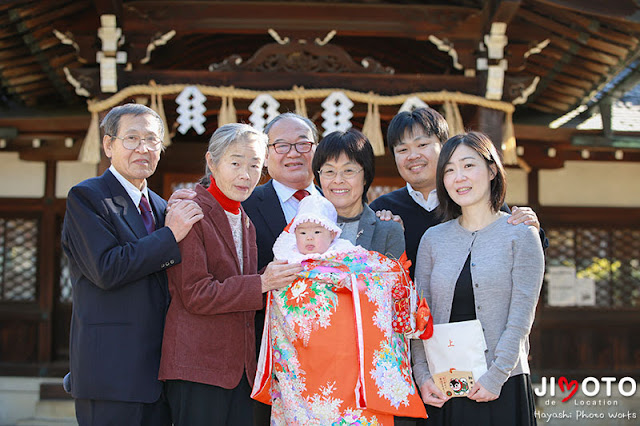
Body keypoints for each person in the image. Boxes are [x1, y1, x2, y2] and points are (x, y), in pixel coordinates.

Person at [61, 103, 204, 426]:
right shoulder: (87, 198)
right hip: (110, 373)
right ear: (109, 145)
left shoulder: (160, 205)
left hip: (159, 375)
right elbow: (107, 269)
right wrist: (170, 236)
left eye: (152, 140)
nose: (144, 148)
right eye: (132, 138)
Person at [158, 123, 303, 426]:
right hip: (199, 367)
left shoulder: (244, 218)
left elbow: (243, 285)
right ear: (212, 162)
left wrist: (281, 275)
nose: (246, 175)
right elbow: (196, 293)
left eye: (254, 165)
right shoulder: (191, 212)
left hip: (239, 370)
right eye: (235, 163)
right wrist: (263, 282)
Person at [252, 195, 428, 425]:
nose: (309, 238)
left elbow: (387, 276)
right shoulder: (286, 260)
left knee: (348, 403)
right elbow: (278, 299)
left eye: (317, 232)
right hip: (299, 354)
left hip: (344, 354)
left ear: (333, 234)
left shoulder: (350, 258)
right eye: (303, 232)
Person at [411, 132, 544, 425]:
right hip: (443, 385)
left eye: (468, 165)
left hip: (502, 383)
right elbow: (419, 314)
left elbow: (521, 317)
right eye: (449, 170)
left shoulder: (521, 234)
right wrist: (421, 375)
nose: (459, 177)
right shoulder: (433, 239)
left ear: (492, 169)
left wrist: (496, 376)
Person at [369, 107, 545, 279]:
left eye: (422, 144)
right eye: (402, 150)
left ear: (444, 147)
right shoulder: (383, 209)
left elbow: (523, 254)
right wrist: (388, 233)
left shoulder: (472, 200)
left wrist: (532, 228)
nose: (413, 155)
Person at [243, 112, 321, 271]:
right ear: (265, 156)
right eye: (282, 146)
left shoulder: (336, 202)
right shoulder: (245, 205)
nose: (293, 153)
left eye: (303, 143)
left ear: (317, 150)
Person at [312, 128, 405, 259]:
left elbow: (396, 278)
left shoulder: (388, 230)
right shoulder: (304, 225)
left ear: (365, 177)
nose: (338, 180)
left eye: (348, 170)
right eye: (329, 171)